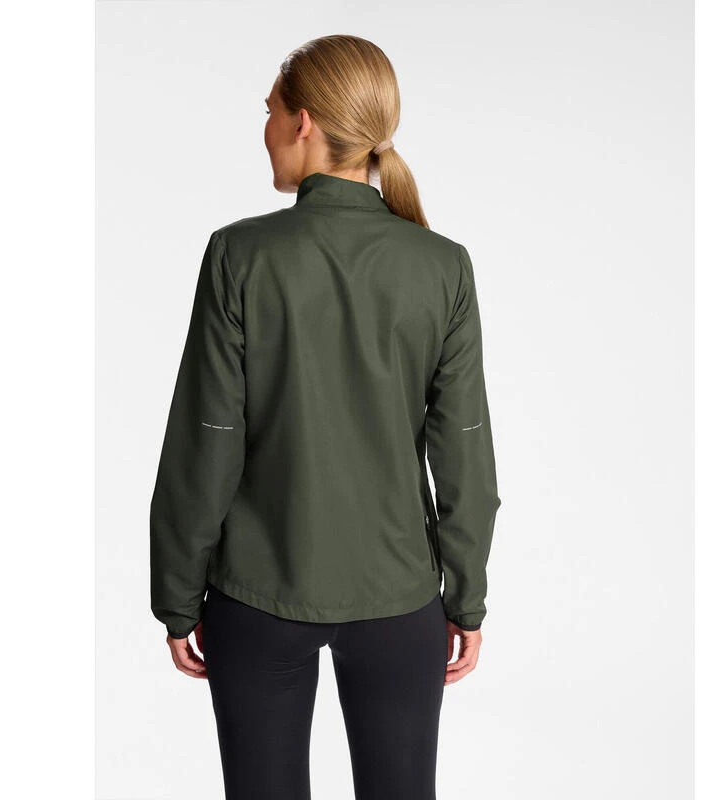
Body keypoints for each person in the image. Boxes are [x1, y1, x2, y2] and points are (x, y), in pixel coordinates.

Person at [149, 34, 501, 800]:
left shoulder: (239, 256)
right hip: (401, 598)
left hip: (256, 594)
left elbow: (206, 444)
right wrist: (466, 596)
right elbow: (465, 453)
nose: (266, 128)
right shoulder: (443, 266)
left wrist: (177, 598)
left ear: (302, 121)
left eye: (270, 111)